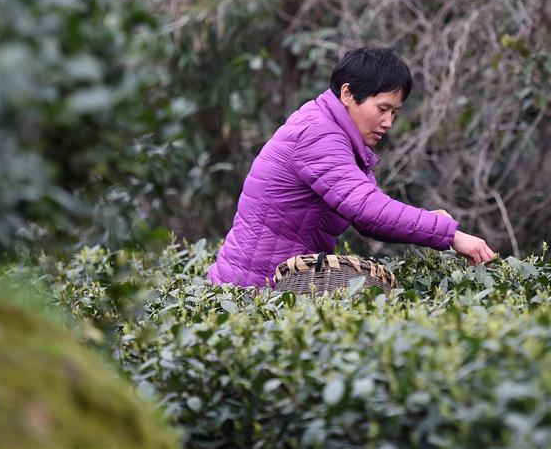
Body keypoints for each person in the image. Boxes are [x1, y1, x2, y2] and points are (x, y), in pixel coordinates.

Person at [207, 46, 496, 288]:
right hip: (253, 294)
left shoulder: (334, 131)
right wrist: (451, 235)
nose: (388, 123)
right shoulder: (319, 134)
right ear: (347, 94)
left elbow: (370, 213)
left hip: (267, 289)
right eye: (382, 109)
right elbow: (368, 211)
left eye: (394, 112)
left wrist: (429, 224)